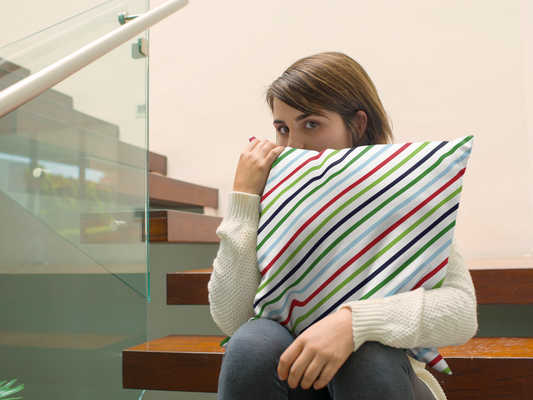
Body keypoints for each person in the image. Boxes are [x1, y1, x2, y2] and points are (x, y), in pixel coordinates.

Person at [208, 52, 478, 400]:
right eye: (282, 128)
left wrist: (353, 323)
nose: (294, 145)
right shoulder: (273, 199)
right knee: (250, 341)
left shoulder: (400, 192)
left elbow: (460, 313)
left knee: (365, 354)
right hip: (296, 378)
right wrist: (245, 198)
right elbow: (232, 318)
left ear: (358, 124)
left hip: (384, 378)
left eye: (311, 124)